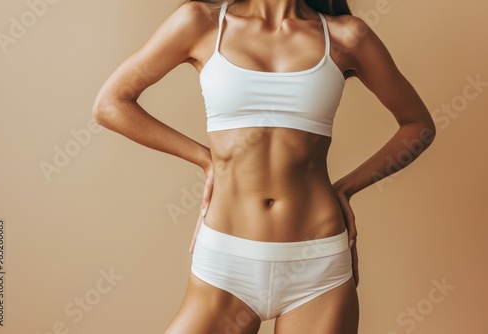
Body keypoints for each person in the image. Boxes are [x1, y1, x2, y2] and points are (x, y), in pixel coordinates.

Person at [92, 0, 436, 332]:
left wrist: (346, 188)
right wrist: (205, 160)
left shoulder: (347, 36)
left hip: (317, 264)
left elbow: (417, 126)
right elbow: (111, 103)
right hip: (226, 262)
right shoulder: (200, 22)